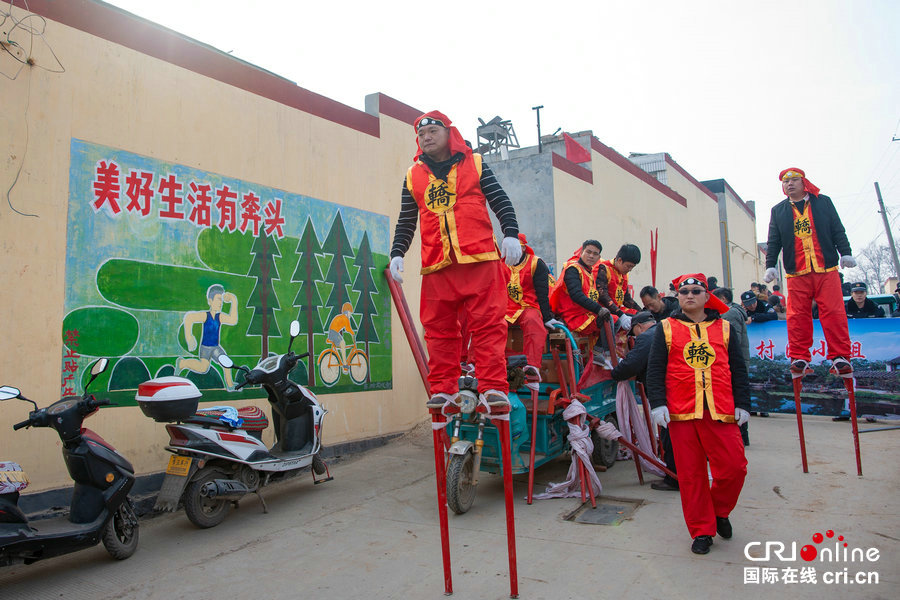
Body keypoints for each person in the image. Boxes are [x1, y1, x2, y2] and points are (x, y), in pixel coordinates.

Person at [389, 110, 522, 410]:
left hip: (480, 260)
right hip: (437, 265)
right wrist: (398, 252)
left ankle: (492, 388)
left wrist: (510, 233)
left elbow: (500, 199)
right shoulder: (413, 176)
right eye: (421, 135)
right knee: (438, 330)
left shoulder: (474, 163)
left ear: (450, 133)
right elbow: (407, 220)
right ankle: (444, 389)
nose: (426, 137)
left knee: (489, 326)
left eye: (432, 131)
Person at [646, 274, 750, 555]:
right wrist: (657, 404)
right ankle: (702, 530)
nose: (689, 295)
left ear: (707, 296)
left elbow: (738, 369)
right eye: (684, 291)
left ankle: (719, 511)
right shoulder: (665, 328)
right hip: (681, 412)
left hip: (720, 410)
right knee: (691, 477)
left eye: (696, 291)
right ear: (677, 297)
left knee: (734, 467)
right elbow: (654, 370)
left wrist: (743, 403)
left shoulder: (725, 328)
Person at [764, 167, 856, 377]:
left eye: (794, 180)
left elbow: (837, 228)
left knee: (834, 312)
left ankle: (840, 356)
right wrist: (770, 264)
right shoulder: (778, 210)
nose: (789, 184)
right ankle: (799, 357)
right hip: (797, 272)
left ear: (804, 182)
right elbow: (774, 240)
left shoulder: (823, 202)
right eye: (786, 182)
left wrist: (846, 252)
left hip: (826, 268)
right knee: (797, 315)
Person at [610, 311, 678, 491]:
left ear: (639, 327)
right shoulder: (666, 330)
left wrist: (614, 372)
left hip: (667, 393)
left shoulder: (647, 337)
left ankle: (674, 478)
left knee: (670, 434)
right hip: (678, 391)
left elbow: (631, 365)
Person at [503, 234, 558, 377]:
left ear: (523, 248)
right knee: (491, 325)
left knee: (533, 322)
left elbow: (542, 292)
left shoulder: (536, 263)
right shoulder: (500, 264)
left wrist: (546, 317)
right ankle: (477, 362)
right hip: (506, 308)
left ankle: (531, 365)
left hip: (529, 306)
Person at [713, 287, 763, 440]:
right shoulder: (735, 311)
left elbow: (730, 342)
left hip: (732, 363)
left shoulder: (729, 314)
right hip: (736, 362)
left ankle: (740, 435)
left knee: (734, 399)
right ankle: (742, 435)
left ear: (722, 299)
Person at [178, 284, 238, 390]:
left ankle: (230, 385)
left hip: (215, 347)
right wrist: (189, 336)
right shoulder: (206, 315)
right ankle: (182, 363)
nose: (220, 303)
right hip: (205, 347)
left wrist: (234, 300)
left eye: (221, 300)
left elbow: (233, 320)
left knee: (226, 363)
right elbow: (189, 317)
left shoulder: (220, 317)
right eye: (218, 299)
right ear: (210, 301)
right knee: (203, 368)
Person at [549, 240, 611, 338]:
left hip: (587, 314)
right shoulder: (573, 269)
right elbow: (576, 295)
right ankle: (603, 352)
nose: (591, 256)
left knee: (615, 319)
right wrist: (598, 309)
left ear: (599, 258)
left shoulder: (589, 271)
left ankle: (600, 351)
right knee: (608, 319)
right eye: (588, 252)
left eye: (595, 254)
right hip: (573, 316)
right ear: (581, 252)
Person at [594, 243, 642, 330]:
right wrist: (621, 315)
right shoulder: (603, 269)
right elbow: (603, 296)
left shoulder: (624, 274)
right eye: (628, 266)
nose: (630, 270)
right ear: (619, 260)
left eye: (632, 267)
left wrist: (643, 313)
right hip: (604, 311)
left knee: (641, 318)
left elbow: (626, 299)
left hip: (617, 310)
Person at [327, 302, 356, 372]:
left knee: (342, 344)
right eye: (350, 313)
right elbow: (348, 329)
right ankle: (345, 364)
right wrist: (353, 334)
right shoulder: (345, 318)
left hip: (333, 332)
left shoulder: (342, 317)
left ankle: (343, 362)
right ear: (347, 312)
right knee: (342, 343)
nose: (350, 314)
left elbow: (347, 329)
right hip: (333, 333)